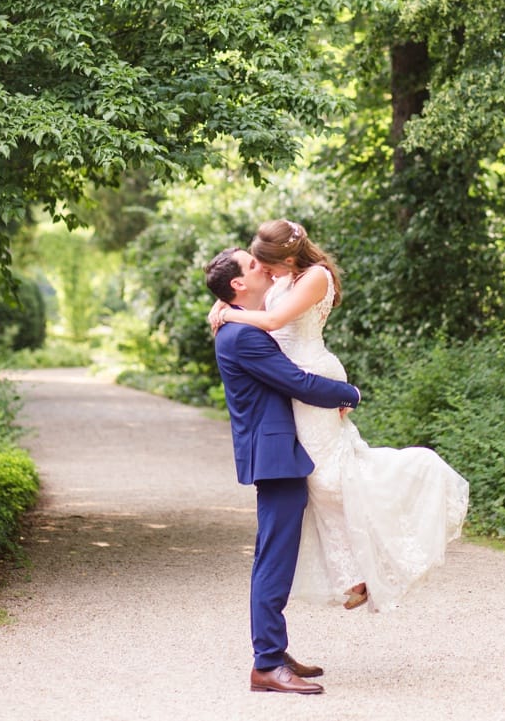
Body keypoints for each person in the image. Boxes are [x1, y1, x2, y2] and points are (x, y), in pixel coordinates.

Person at [210, 220, 470, 615]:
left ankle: (383, 551)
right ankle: (355, 573)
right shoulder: (281, 280)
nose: (265, 271)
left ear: (289, 257)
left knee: (329, 478)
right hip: (293, 383)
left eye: (269, 264)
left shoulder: (315, 276)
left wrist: (229, 315)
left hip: (312, 378)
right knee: (319, 480)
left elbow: (274, 322)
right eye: (257, 266)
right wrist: (224, 303)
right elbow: (255, 303)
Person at [205, 247, 361, 696]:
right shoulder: (243, 337)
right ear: (238, 284)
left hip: (277, 451)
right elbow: (299, 383)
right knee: (273, 560)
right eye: (253, 266)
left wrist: (222, 308)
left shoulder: (238, 321)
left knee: (272, 556)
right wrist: (349, 391)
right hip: (275, 456)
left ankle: (274, 651)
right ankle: (267, 664)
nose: (263, 267)